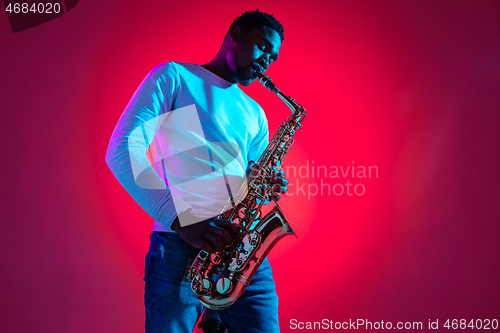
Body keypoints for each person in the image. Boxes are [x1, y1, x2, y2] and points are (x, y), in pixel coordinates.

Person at [105, 10, 287, 333]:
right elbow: (121, 149)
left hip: (241, 250)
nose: (266, 61)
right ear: (236, 32)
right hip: (179, 244)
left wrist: (266, 182)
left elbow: (248, 178)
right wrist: (180, 219)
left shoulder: (256, 113)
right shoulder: (174, 77)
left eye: (272, 57)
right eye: (262, 47)